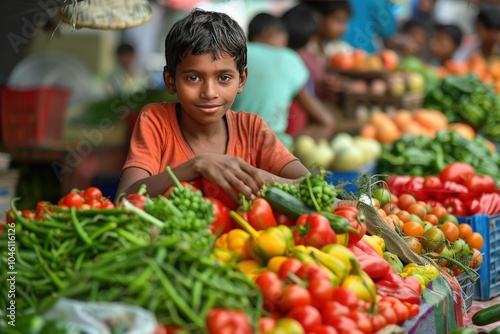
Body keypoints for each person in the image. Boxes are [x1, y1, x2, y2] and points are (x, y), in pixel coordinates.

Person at [117, 9, 309, 201]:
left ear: (241, 80)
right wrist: (196, 166)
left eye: (224, 78)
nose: (209, 92)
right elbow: (125, 198)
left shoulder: (252, 129)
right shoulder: (156, 121)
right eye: (193, 78)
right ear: (170, 80)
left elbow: (310, 186)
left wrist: (260, 178)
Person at [231, 12, 335, 149]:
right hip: (272, 149)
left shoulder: (232, 53)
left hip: (228, 145)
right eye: (284, 40)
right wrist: (289, 144)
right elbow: (326, 122)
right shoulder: (289, 58)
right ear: (271, 33)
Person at [284, 1, 352, 101]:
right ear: (318, 18)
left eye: (345, 22)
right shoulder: (301, 52)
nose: (344, 28)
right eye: (338, 20)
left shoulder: (324, 50)